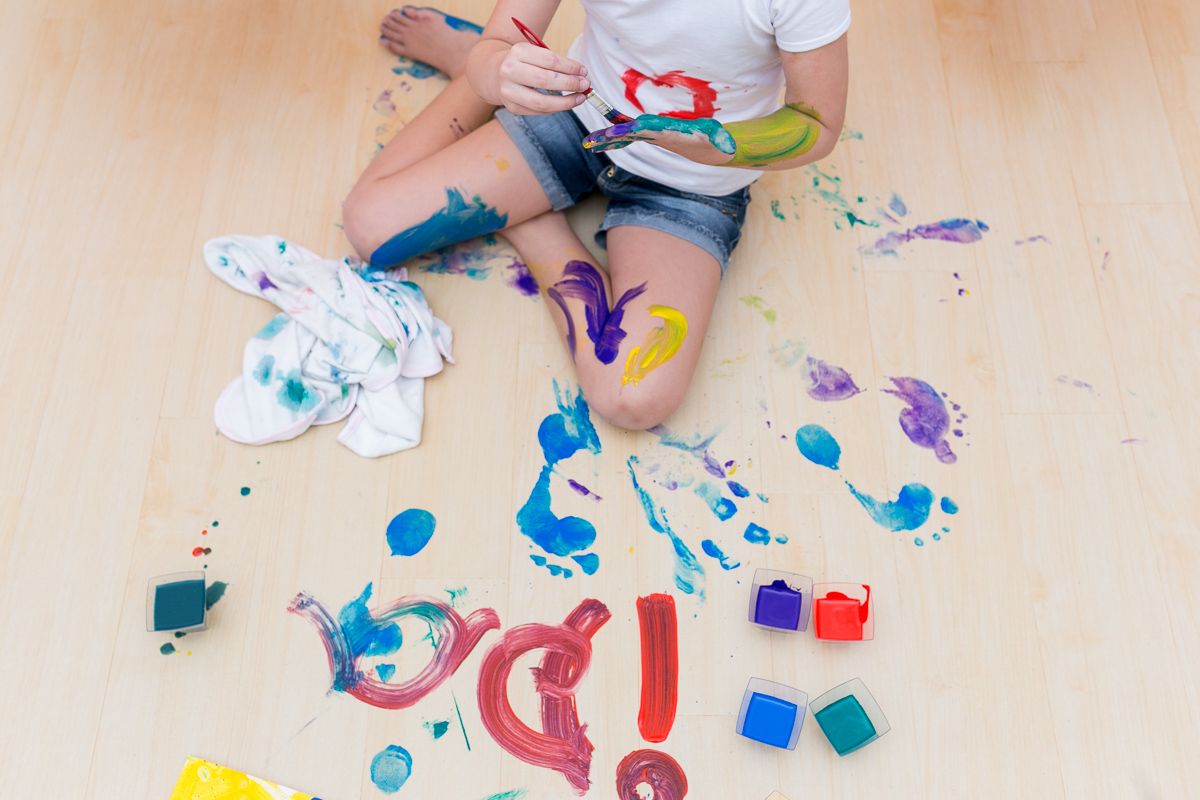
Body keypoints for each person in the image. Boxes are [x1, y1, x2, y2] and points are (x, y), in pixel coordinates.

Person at [344, 0, 850, 430]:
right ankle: (474, 80)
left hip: (694, 185)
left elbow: (817, 123)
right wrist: (494, 71)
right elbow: (498, 43)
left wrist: (716, 144)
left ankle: (533, 223)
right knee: (370, 228)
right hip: (574, 116)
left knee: (631, 398)